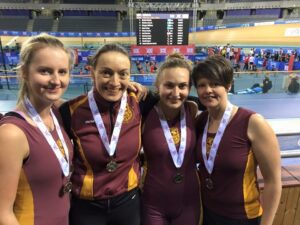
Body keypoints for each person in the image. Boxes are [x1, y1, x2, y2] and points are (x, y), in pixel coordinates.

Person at [59, 44, 146, 225]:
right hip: (86, 207)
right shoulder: (70, 112)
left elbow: (178, 100)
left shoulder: (139, 102)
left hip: (128, 202)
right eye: (106, 73)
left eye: (123, 74)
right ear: (92, 73)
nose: (114, 82)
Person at [192, 55, 281, 225]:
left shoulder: (253, 122)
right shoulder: (201, 121)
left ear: (228, 85)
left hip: (243, 217)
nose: (208, 90)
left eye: (215, 84)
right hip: (208, 213)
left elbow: (273, 181)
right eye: (202, 85)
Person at [0, 33, 74, 225]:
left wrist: (129, 91)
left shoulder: (57, 113)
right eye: (45, 71)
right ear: (24, 72)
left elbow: (92, 109)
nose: (56, 80)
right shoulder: (12, 133)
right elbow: (2, 213)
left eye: (63, 71)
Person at [141, 54, 201, 225]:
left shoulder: (192, 109)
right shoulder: (144, 114)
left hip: (189, 203)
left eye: (182, 86)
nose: (176, 93)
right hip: (153, 205)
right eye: (169, 85)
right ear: (157, 86)